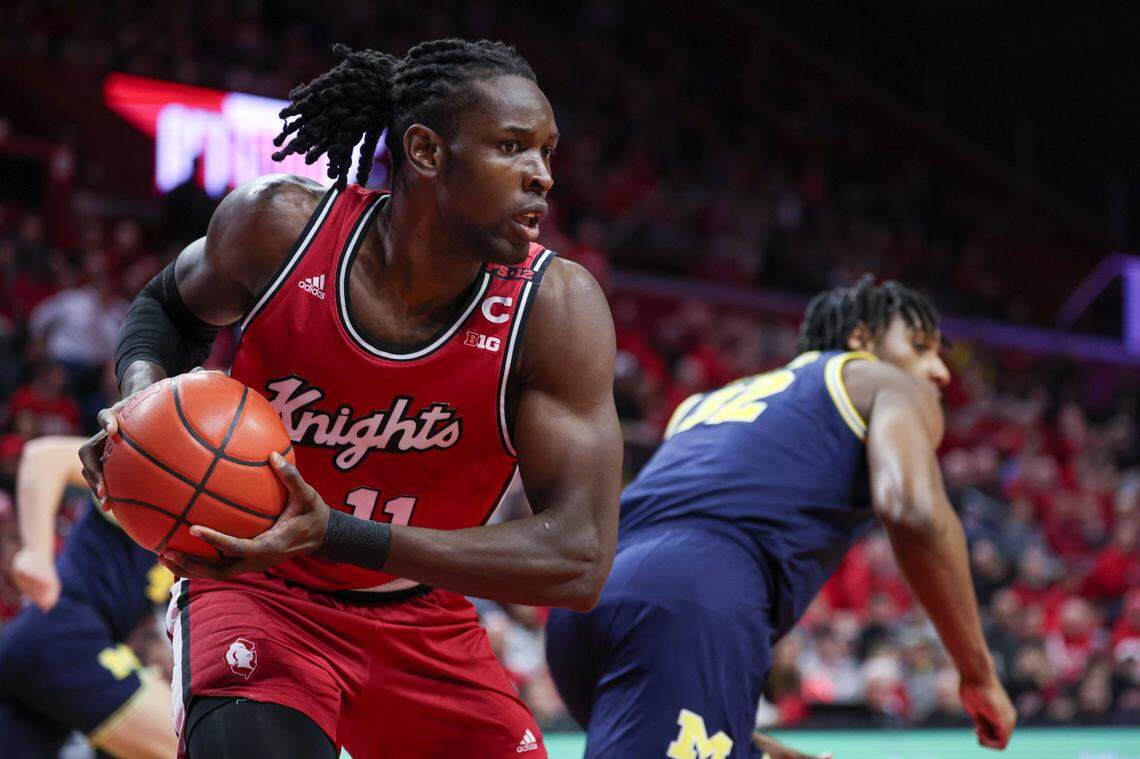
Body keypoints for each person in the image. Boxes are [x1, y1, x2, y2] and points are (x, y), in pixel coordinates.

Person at [79, 40, 621, 759]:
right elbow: (166, 310)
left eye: (547, 152)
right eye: (513, 147)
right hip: (258, 588)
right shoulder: (279, 227)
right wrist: (139, 409)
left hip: (423, 613)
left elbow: (580, 558)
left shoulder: (555, 308)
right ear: (426, 151)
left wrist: (336, 532)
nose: (542, 175)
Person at [546, 276, 1018, 758]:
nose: (939, 371)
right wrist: (978, 675)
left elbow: (658, 664)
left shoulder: (702, 405)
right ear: (860, 338)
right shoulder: (880, 380)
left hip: (586, 602)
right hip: (687, 597)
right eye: (920, 347)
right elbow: (912, 511)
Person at [0, 435, 177, 758]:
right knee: (195, 742)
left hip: (47, 645)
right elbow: (45, 456)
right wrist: (36, 553)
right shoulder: (172, 461)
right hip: (64, 633)